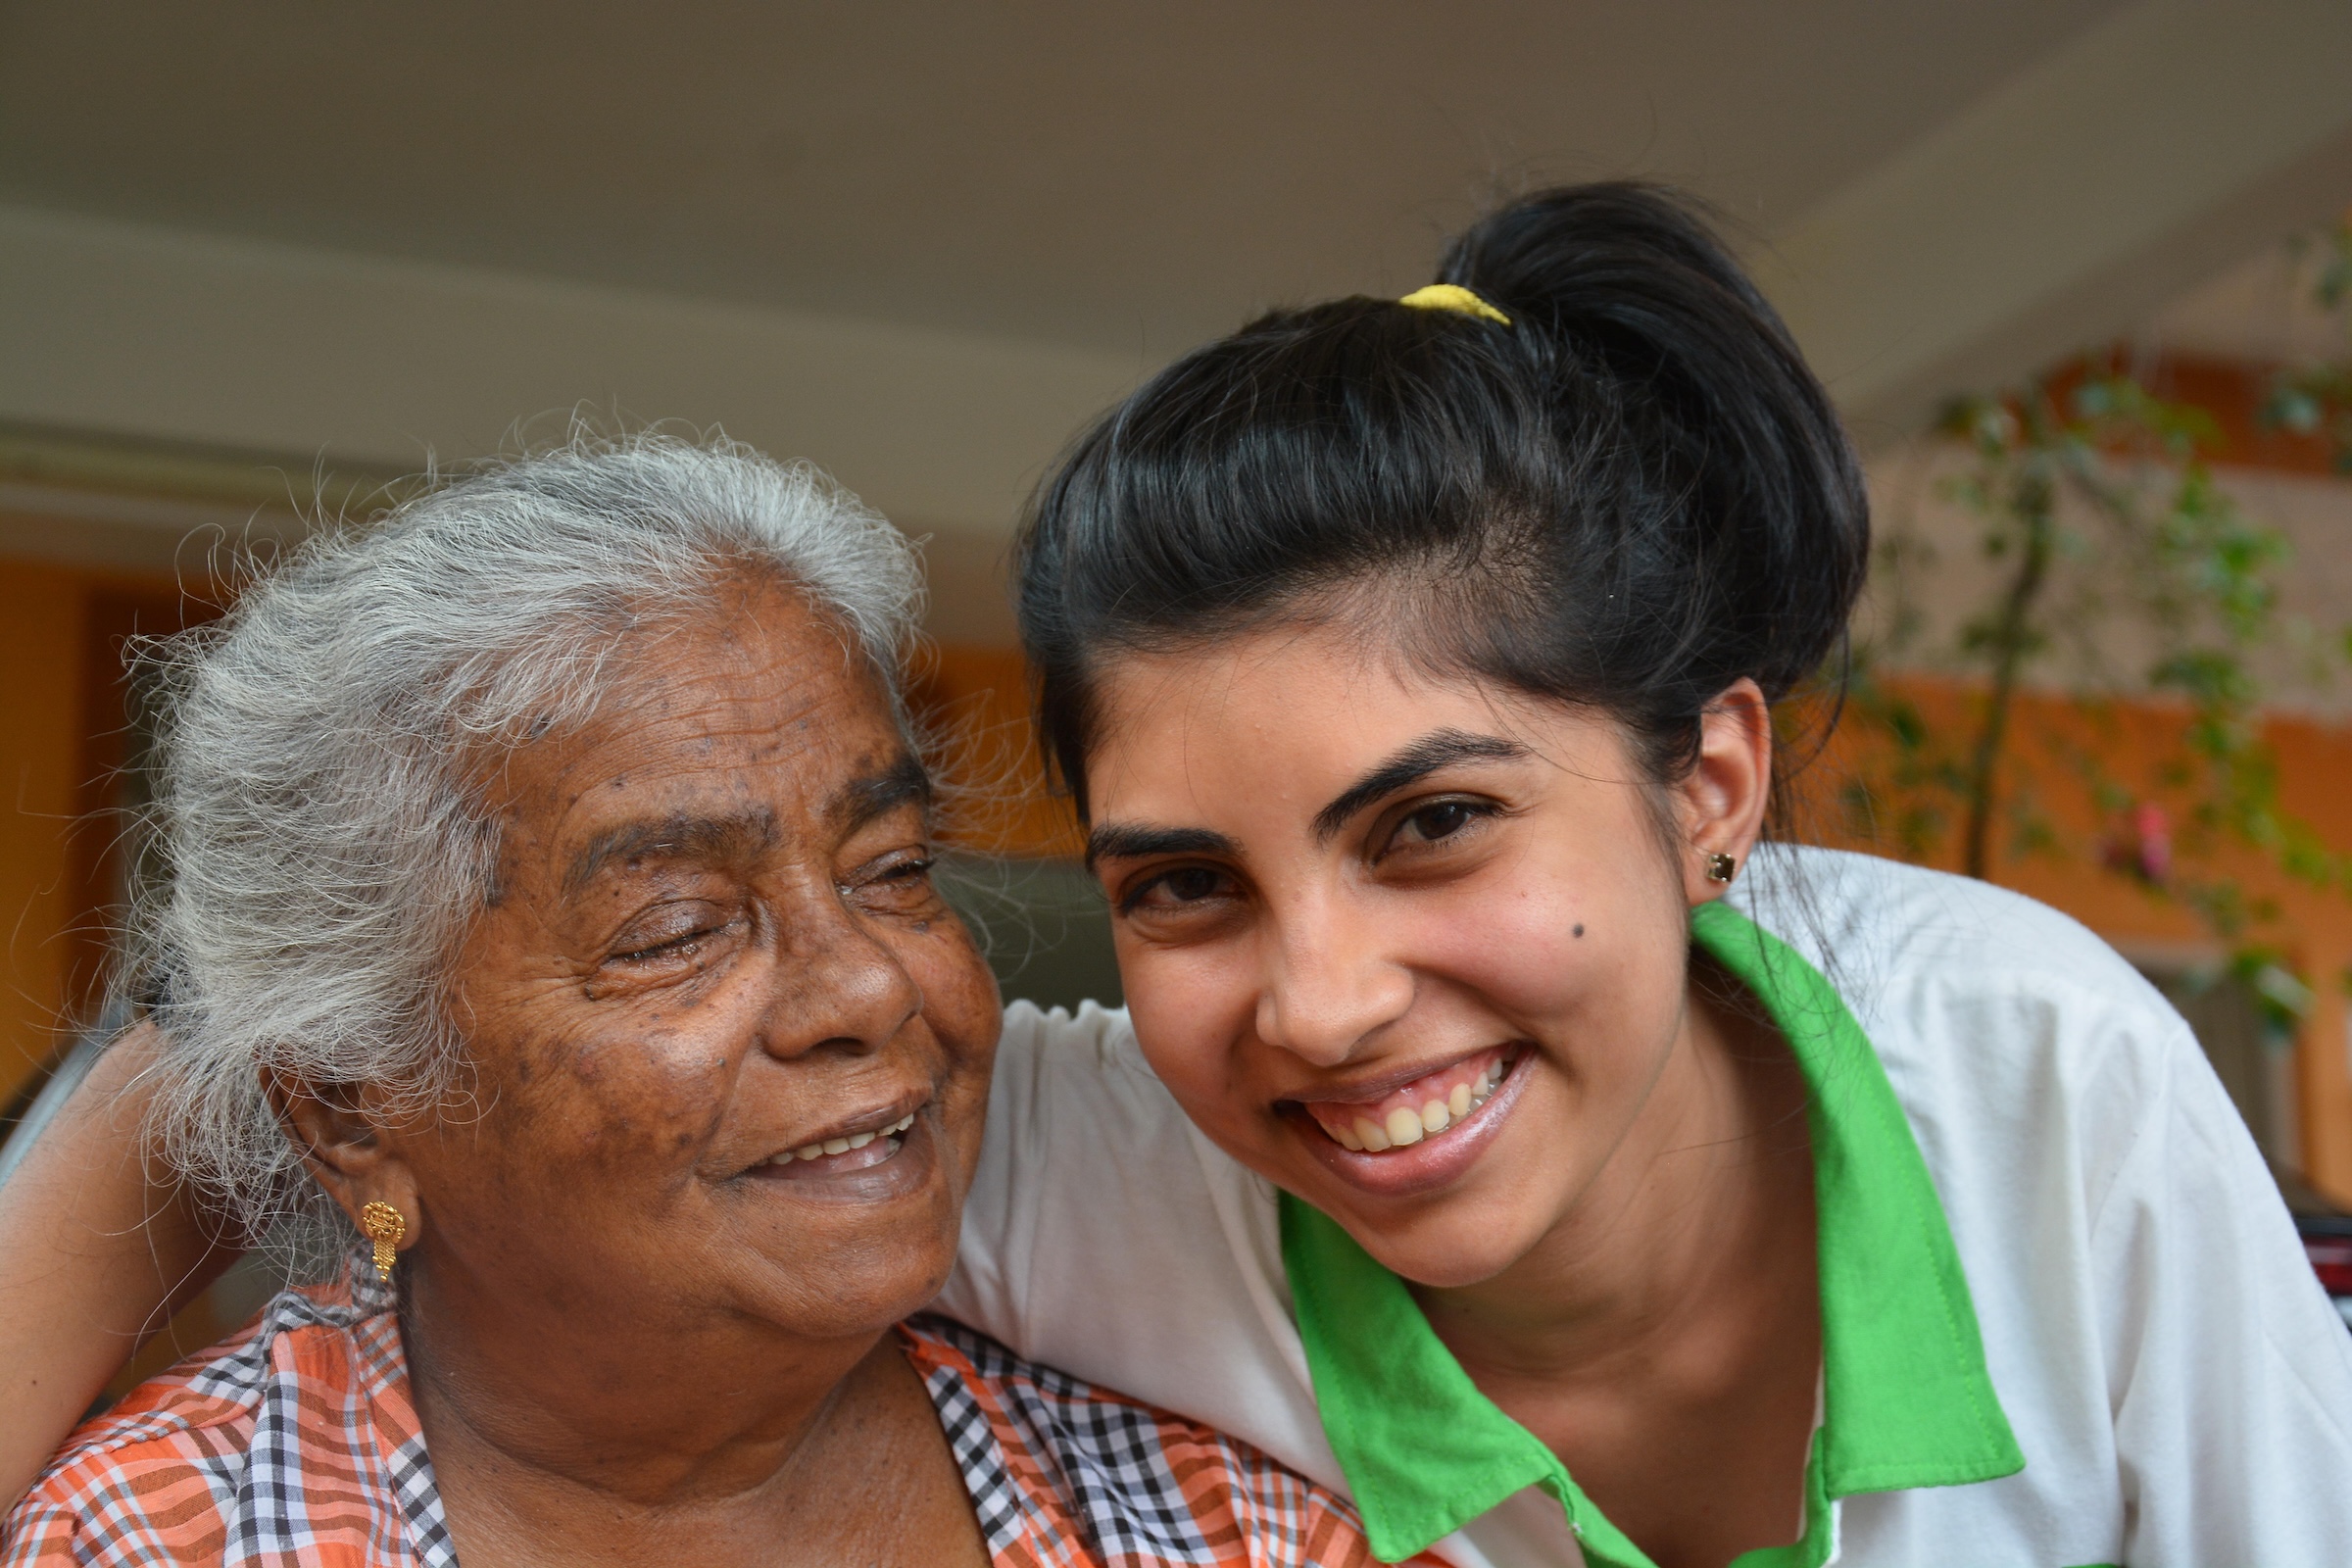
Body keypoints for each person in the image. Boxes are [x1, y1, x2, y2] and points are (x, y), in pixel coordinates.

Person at [7, 184, 2352, 1568]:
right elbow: (311, 1054)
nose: (1322, 1001)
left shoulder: (2025, 1070)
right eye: (1184, 887)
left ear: (1712, 777)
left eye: (1433, 821)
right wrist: (283, 1044)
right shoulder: (1079, 1156)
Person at [0, 438, 1399, 1568]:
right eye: (675, 932)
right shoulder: (157, 1538)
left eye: (894, 869)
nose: (863, 985)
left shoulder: (1225, 1529)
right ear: (356, 1110)